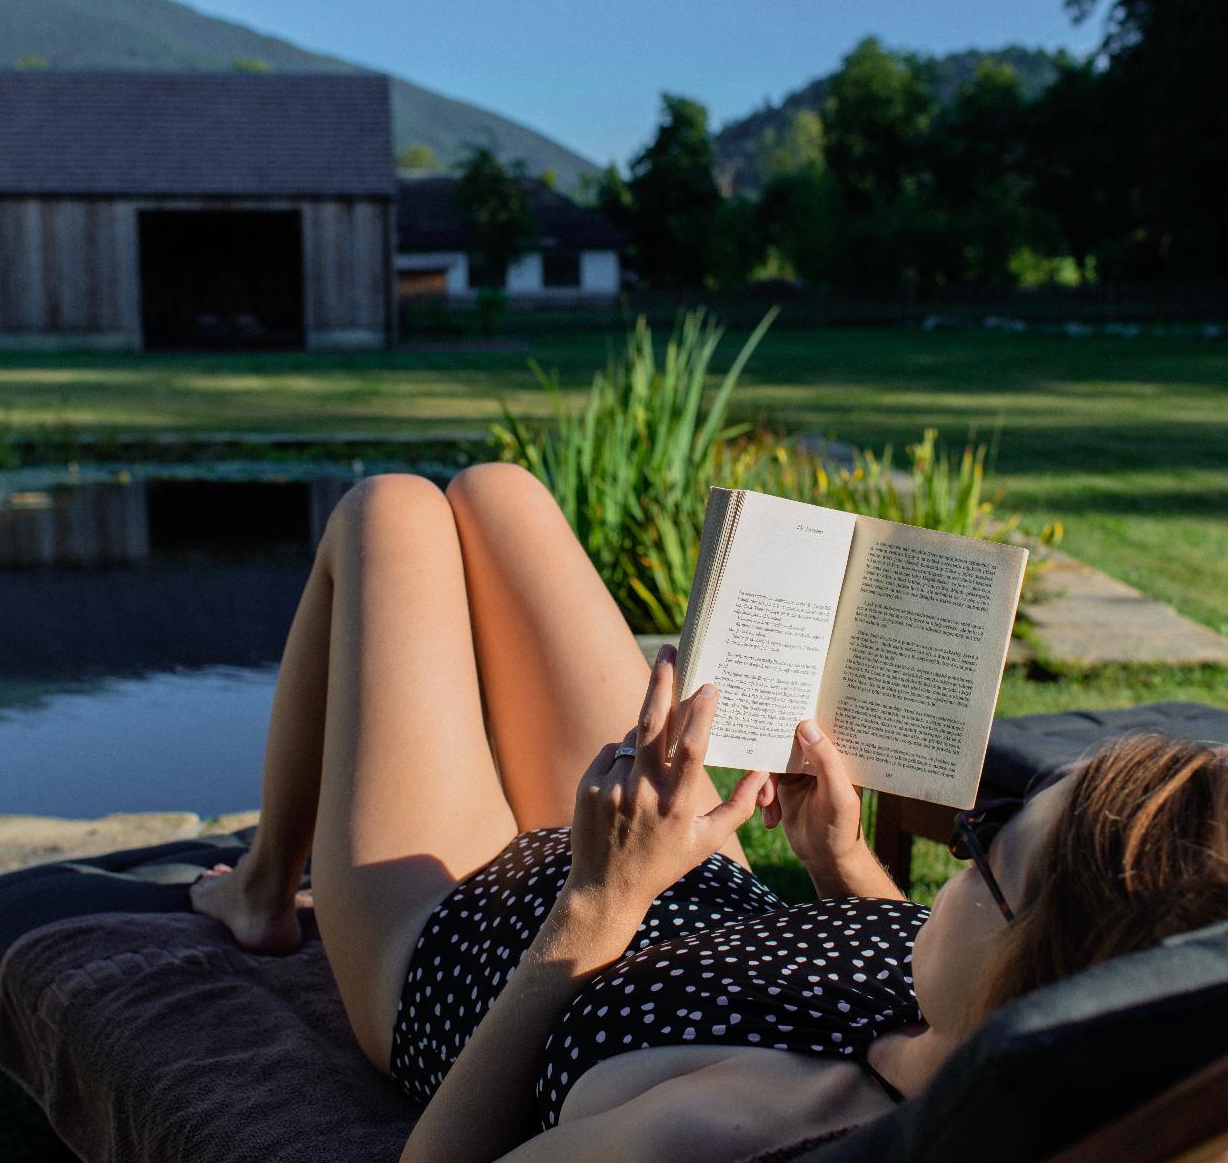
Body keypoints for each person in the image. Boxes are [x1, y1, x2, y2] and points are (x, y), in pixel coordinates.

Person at [189, 464, 1228, 1163]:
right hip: (664, 852)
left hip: (471, 934)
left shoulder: (736, 1128)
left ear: (1024, 974)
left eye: (982, 852)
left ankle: (262, 891)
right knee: (498, 492)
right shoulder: (960, 1014)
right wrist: (841, 864)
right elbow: (936, 961)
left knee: (388, 513)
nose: (954, 859)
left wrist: (598, 904)